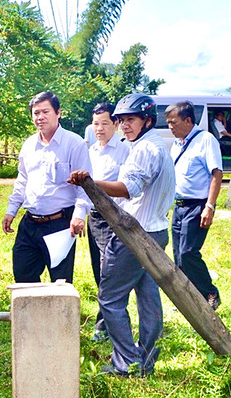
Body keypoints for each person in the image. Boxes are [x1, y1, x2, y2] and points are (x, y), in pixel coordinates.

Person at [69, 93, 174, 377]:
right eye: (122, 120)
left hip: (134, 235)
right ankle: (146, 359)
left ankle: (127, 363)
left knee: (110, 299)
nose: (125, 125)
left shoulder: (144, 150)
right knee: (147, 296)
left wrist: (88, 182)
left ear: (148, 120)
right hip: (156, 231)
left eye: (131, 120)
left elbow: (130, 188)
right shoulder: (153, 144)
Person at [3, 91, 92, 283]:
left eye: (45, 112)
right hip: (30, 223)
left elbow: (85, 185)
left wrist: (79, 215)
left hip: (59, 224)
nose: (40, 117)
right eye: (36, 113)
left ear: (58, 113)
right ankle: (32, 314)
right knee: (23, 277)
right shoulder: (29, 145)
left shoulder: (74, 143)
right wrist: (11, 210)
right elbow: (22, 180)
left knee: (60, 282)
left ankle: (59, 314)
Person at [168, 101, 223, 310]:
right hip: (179, 206)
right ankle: (188, 299)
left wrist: (209, 206)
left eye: (174, 122)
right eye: (168, 123)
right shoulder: (177, 144)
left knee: (188, 252)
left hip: (197, 206)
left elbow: (217, 173)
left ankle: (210, 292)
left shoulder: (206, 140)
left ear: (188, 120)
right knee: (178, 256)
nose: (170, 127)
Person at [86, 102, 130, 342]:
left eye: (104, 123)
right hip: (93, 219)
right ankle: (108, 320)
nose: (99, 129)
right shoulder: (91, 151)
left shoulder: (125, 151)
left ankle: (104, 327)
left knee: (109, 273)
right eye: (95, 124)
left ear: (115, 124)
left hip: (113, 219)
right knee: (98, 271)